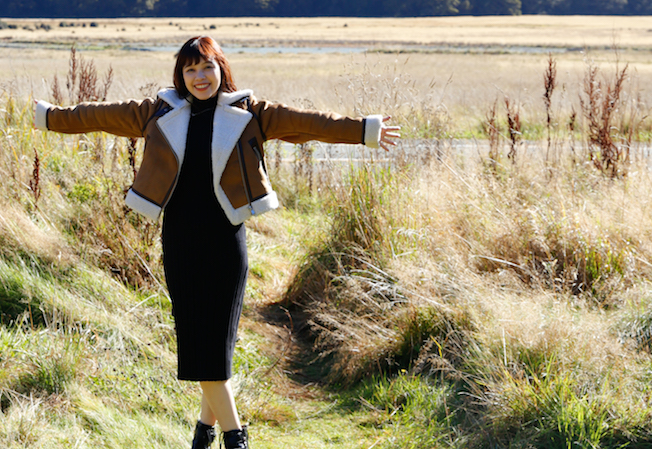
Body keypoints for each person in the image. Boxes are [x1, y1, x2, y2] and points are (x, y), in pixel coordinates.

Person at [34, 35, 401, 449]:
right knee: (199, 342)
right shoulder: (158, 111)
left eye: (206, 66)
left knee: (216, 343)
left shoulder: (250, 113)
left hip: (226, 240)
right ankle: (222, 436)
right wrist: (50, 117)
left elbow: (310, 123)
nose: (199, 77)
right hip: (180, 240)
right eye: (190, 69)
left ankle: (217, 436)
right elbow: (96, 116)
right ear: (181, 75)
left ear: (220, 69)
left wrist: (363, 130)